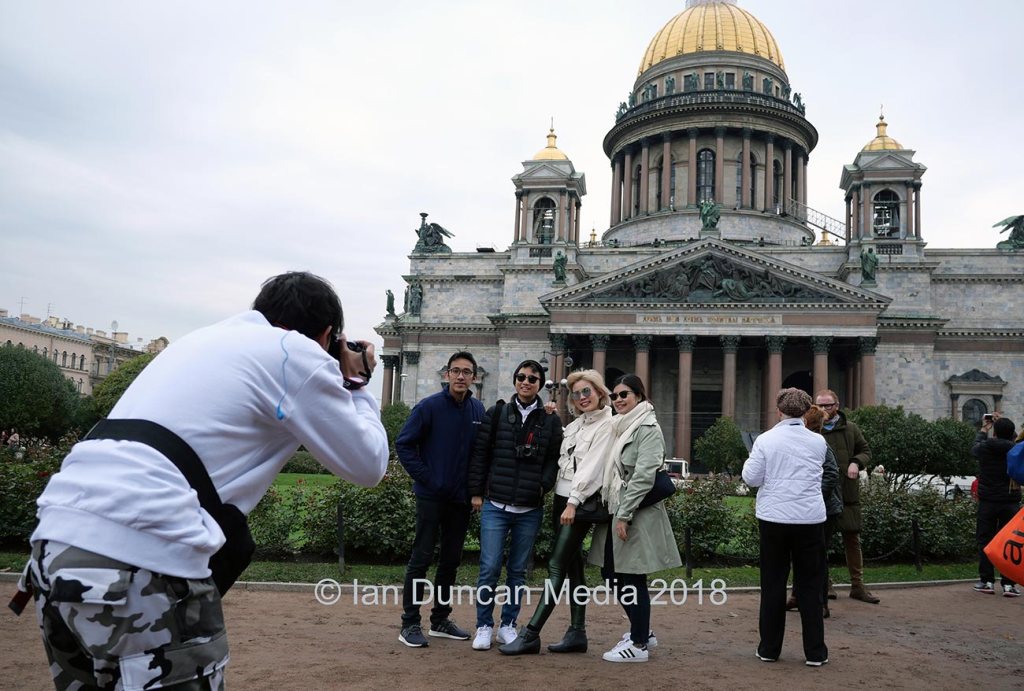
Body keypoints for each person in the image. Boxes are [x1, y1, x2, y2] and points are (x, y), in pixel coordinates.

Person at [18, 271, 389, 690]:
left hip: (52, 549)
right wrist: (357, 382)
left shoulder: (201, 340)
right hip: (143, 557)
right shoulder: (297, 353)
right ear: (327, 335)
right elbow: (368, 464)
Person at [499, 369, 615, 655]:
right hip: (562, 501)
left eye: (587, 391)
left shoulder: (607, 425)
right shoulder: (577, 424)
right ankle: (577, 632)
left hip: (579, 504)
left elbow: (592, 468)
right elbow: (564, 454)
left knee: (555, 566)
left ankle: (532, 633)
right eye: (575, 394)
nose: (581, 398)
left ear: (600, 393)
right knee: (574, 569)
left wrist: (574, 502)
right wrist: (549, 413)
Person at [467, 359, 563, 651]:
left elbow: (554, 459)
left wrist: (542, 486)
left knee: (518, 571)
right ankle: (484, 625)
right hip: (496, 504)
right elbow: (480, 454)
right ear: (514, 380)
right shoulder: (496, 414)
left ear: (540, 385)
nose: (526, 381)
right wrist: (476, 493)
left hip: (529, 507)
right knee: (489, 568)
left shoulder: (550, 420)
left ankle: (507, 625)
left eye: (533, 378)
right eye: (521, 376)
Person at [589, 374, 681, 663]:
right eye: (614, 395)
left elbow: (644, 476)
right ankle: (643, 631)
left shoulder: (647, 428)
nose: (618, 400)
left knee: (630, 577)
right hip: (620, 508)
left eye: (624, 394)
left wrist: (624, 515)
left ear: (639, 396)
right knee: (612, 573)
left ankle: (639, 644)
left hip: (634, 513)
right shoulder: (622, 426)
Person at [396, 351, 485, 647]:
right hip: (431, 497)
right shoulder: (428, 407)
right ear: (447, 375)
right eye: (456, 371)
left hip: (460, 501)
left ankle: (439, 620)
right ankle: (409, 623)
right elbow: (404, 445)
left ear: (473, 377)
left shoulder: (477, 411)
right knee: (420, 559)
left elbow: (480, 455)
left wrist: (474, 490)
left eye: (467, 372)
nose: (461, 376)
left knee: (450, 561)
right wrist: (429, 479)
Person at [743, 388, 830, 667]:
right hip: (810, 519)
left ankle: (769, 648)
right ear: (806, 411)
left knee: (773, 584)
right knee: (810, 586)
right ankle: (815, 652)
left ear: (778, 410)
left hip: (774, 519)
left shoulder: (766, 440)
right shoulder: (818, 442)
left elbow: (752, 478)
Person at [814, 389, 879, 604]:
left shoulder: (851, 429)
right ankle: (826, 585)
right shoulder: (813, 430)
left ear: (837, 405)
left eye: (829, 405)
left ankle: (858, 586)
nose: (825, 409)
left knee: (852, 539)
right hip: (823, 494)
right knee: (822, 542)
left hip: (848, 493)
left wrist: (856, 462)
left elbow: (866, 450)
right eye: (821, 405)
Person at [786, 405, 842, 618]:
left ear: (806, 423)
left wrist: (813, 497)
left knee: (817, 558)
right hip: (810, 508)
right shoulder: (808, 443)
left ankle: (820, 603)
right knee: (800, 555)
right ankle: (797, 597)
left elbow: (830, 475)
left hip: (823, 509)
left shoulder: (820, 445)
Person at [971, 413, 1021, 597]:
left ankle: (987, 581)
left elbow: (974, 448)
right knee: (1010, 542)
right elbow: (1014, 440)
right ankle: (1009, 584)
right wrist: (1005, 424)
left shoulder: (984, 448)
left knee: (985, 540)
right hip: (1010, 501)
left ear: (995, 432)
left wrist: (985, 429)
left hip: (988, 501)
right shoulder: (1015, 449)